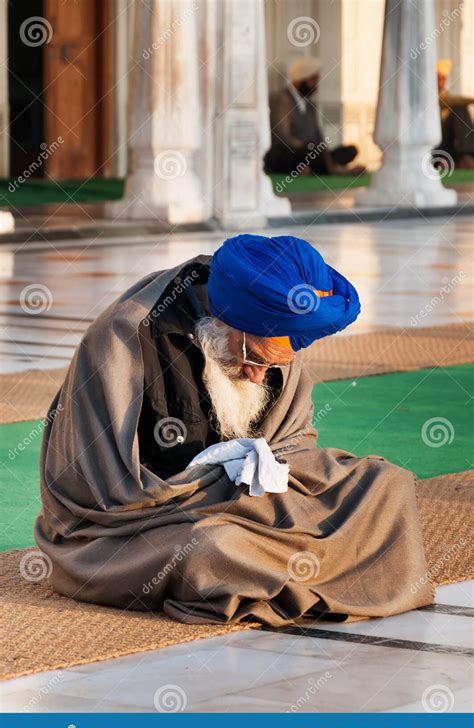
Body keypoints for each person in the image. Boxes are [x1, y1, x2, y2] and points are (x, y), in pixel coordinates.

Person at [35, 234, 433, 627]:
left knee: (385, 486)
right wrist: (214, 480)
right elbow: (97, 496)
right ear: (221, 319)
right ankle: (310, 568)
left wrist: (268, 471)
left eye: (273, 366)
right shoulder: (124, 339)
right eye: (254, 359)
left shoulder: (268, 329)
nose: (258, 376)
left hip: (242, 502)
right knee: (210, 550)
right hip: (129, 531)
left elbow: (294, 442)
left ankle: (284, 573)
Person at [264, 57, 365, 177]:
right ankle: (334, 170)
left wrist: (322, 152)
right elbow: (283, 137)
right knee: (310, 149)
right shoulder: (282, 100)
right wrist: (311, 148)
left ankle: (316, 167)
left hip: (313, 152)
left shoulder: (309, 104)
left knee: (350, 150)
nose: (316, 85)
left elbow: (318, 134)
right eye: (312, 80)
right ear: (300, 79)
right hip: (289, 154)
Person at [436, 59, 474, 170]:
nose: (441, 82)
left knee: (460, 109)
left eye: (443, 79)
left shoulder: (448, 98)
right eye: (438, 78)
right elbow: (446, 101)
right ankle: (461, 159)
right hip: (435, 147)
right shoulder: (424, 97)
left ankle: (466, 156)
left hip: (451, 147)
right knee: (459, 106)